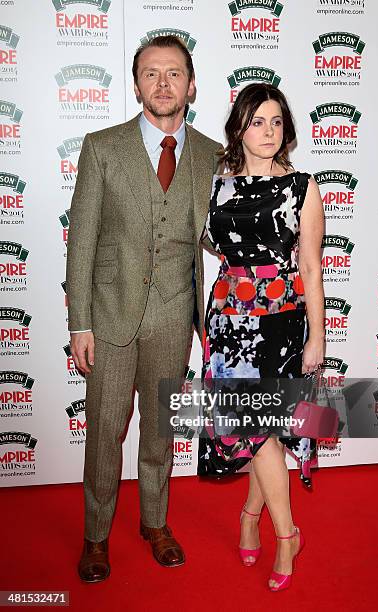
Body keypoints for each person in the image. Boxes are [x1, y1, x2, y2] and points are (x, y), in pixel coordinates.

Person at [66, 35, 222, 581]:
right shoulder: (101, 146)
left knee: (160, 432)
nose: (162, 83)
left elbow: (219, 235)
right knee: (104, 432)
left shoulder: (210, 154)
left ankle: (154, 523)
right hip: (108, 318)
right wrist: (79, 322)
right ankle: (95, 535)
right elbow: (81, 240)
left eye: (173, 73)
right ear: (136, 85)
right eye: (151, 73)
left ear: (191, 84)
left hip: (174, 319)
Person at [198, 83, 325, 591]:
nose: (268, 132)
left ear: (286, 130)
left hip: (278, 322)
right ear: (238, 128)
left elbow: (312, 269)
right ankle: (257, 519)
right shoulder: (217, 184)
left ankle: (282, 533)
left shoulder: (302, 188)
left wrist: (317, 338)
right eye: (257, 121)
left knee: (264, 430)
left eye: (276, 122)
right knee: (251, 430)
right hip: (229, 319)